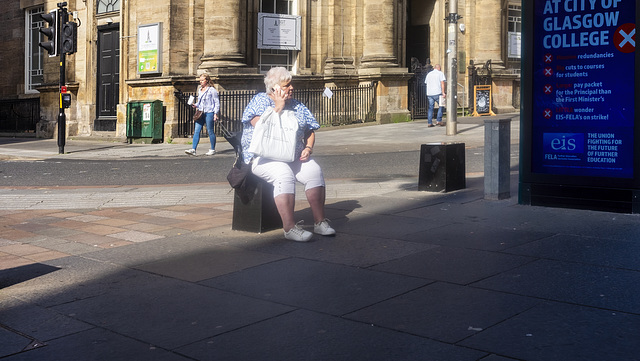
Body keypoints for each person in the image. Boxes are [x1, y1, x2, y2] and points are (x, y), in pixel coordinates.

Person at [240, 67, 335, 242]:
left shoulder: (298, 105)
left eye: (291, 84)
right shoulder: (259, 101)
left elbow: (309, 130)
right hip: (263, 157)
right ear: (274, 89)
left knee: (314, 171)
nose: (291, 88)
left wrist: (308, 147)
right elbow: (260, 127)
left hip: (293, 155)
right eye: (286, 85)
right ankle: (289, 228)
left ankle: (320, 222)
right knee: (284, 175)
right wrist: (278, 107)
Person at [185, 73, 220, 156]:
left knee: (210, 131)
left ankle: (212, 149)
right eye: (200, 80)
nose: (200, 82)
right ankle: (193, 149)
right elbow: (200, 102)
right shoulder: (200, 90)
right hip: (200, 113)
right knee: (196, 130)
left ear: (207, 80)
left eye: (202, 80)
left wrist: (215, 113)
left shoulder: (212, 90)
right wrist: (195, 105)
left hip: (209, 112)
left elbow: (216, 102)